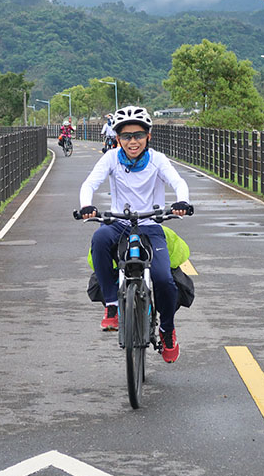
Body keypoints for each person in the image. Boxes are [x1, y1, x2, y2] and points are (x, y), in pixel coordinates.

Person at [77, 105, 192, 363]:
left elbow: (178, 182)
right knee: (99, 238)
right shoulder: (110, 158)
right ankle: (112, 306)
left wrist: (181, 201)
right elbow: (90, 183)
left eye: (138, 135)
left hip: (151, 226)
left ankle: (167, 331)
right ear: (117, 138)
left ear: (148, 136)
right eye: (126, 136)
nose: (133, 141)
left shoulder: (158, 160)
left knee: (163, 278)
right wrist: (87, 206)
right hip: (120, 223)